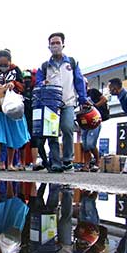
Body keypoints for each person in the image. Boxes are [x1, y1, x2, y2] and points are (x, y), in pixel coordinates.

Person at [36, 33, 91, 173]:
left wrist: (83, 99)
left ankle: (67, 160)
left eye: (57, 43)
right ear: (49, 47)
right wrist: (42, 83)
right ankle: (55, 162)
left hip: (68, 101)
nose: (55, 46)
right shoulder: (44, 66)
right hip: (50, 104)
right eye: (52, 43)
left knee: (67, 128)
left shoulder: (71, 63)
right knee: (52, 133)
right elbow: (38, 83)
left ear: (63, 45)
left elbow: (79, 81)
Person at [0, 49, 30, 171]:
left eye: (5, 64)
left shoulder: (16, 70)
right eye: (1, 64)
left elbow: (23, 85)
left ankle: (10, 164)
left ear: (10, 61)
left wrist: (13, 83)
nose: (3, 66)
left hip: (11, 107)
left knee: (13, 134)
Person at [83, 84, 108, 172]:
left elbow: (104, 99)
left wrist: (93, 106)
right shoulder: (80, 95)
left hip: (94, 119)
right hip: (84, 121)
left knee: (91, 144)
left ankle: (98, 161)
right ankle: (86, 165)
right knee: (85, 145)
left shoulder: (93, 91)